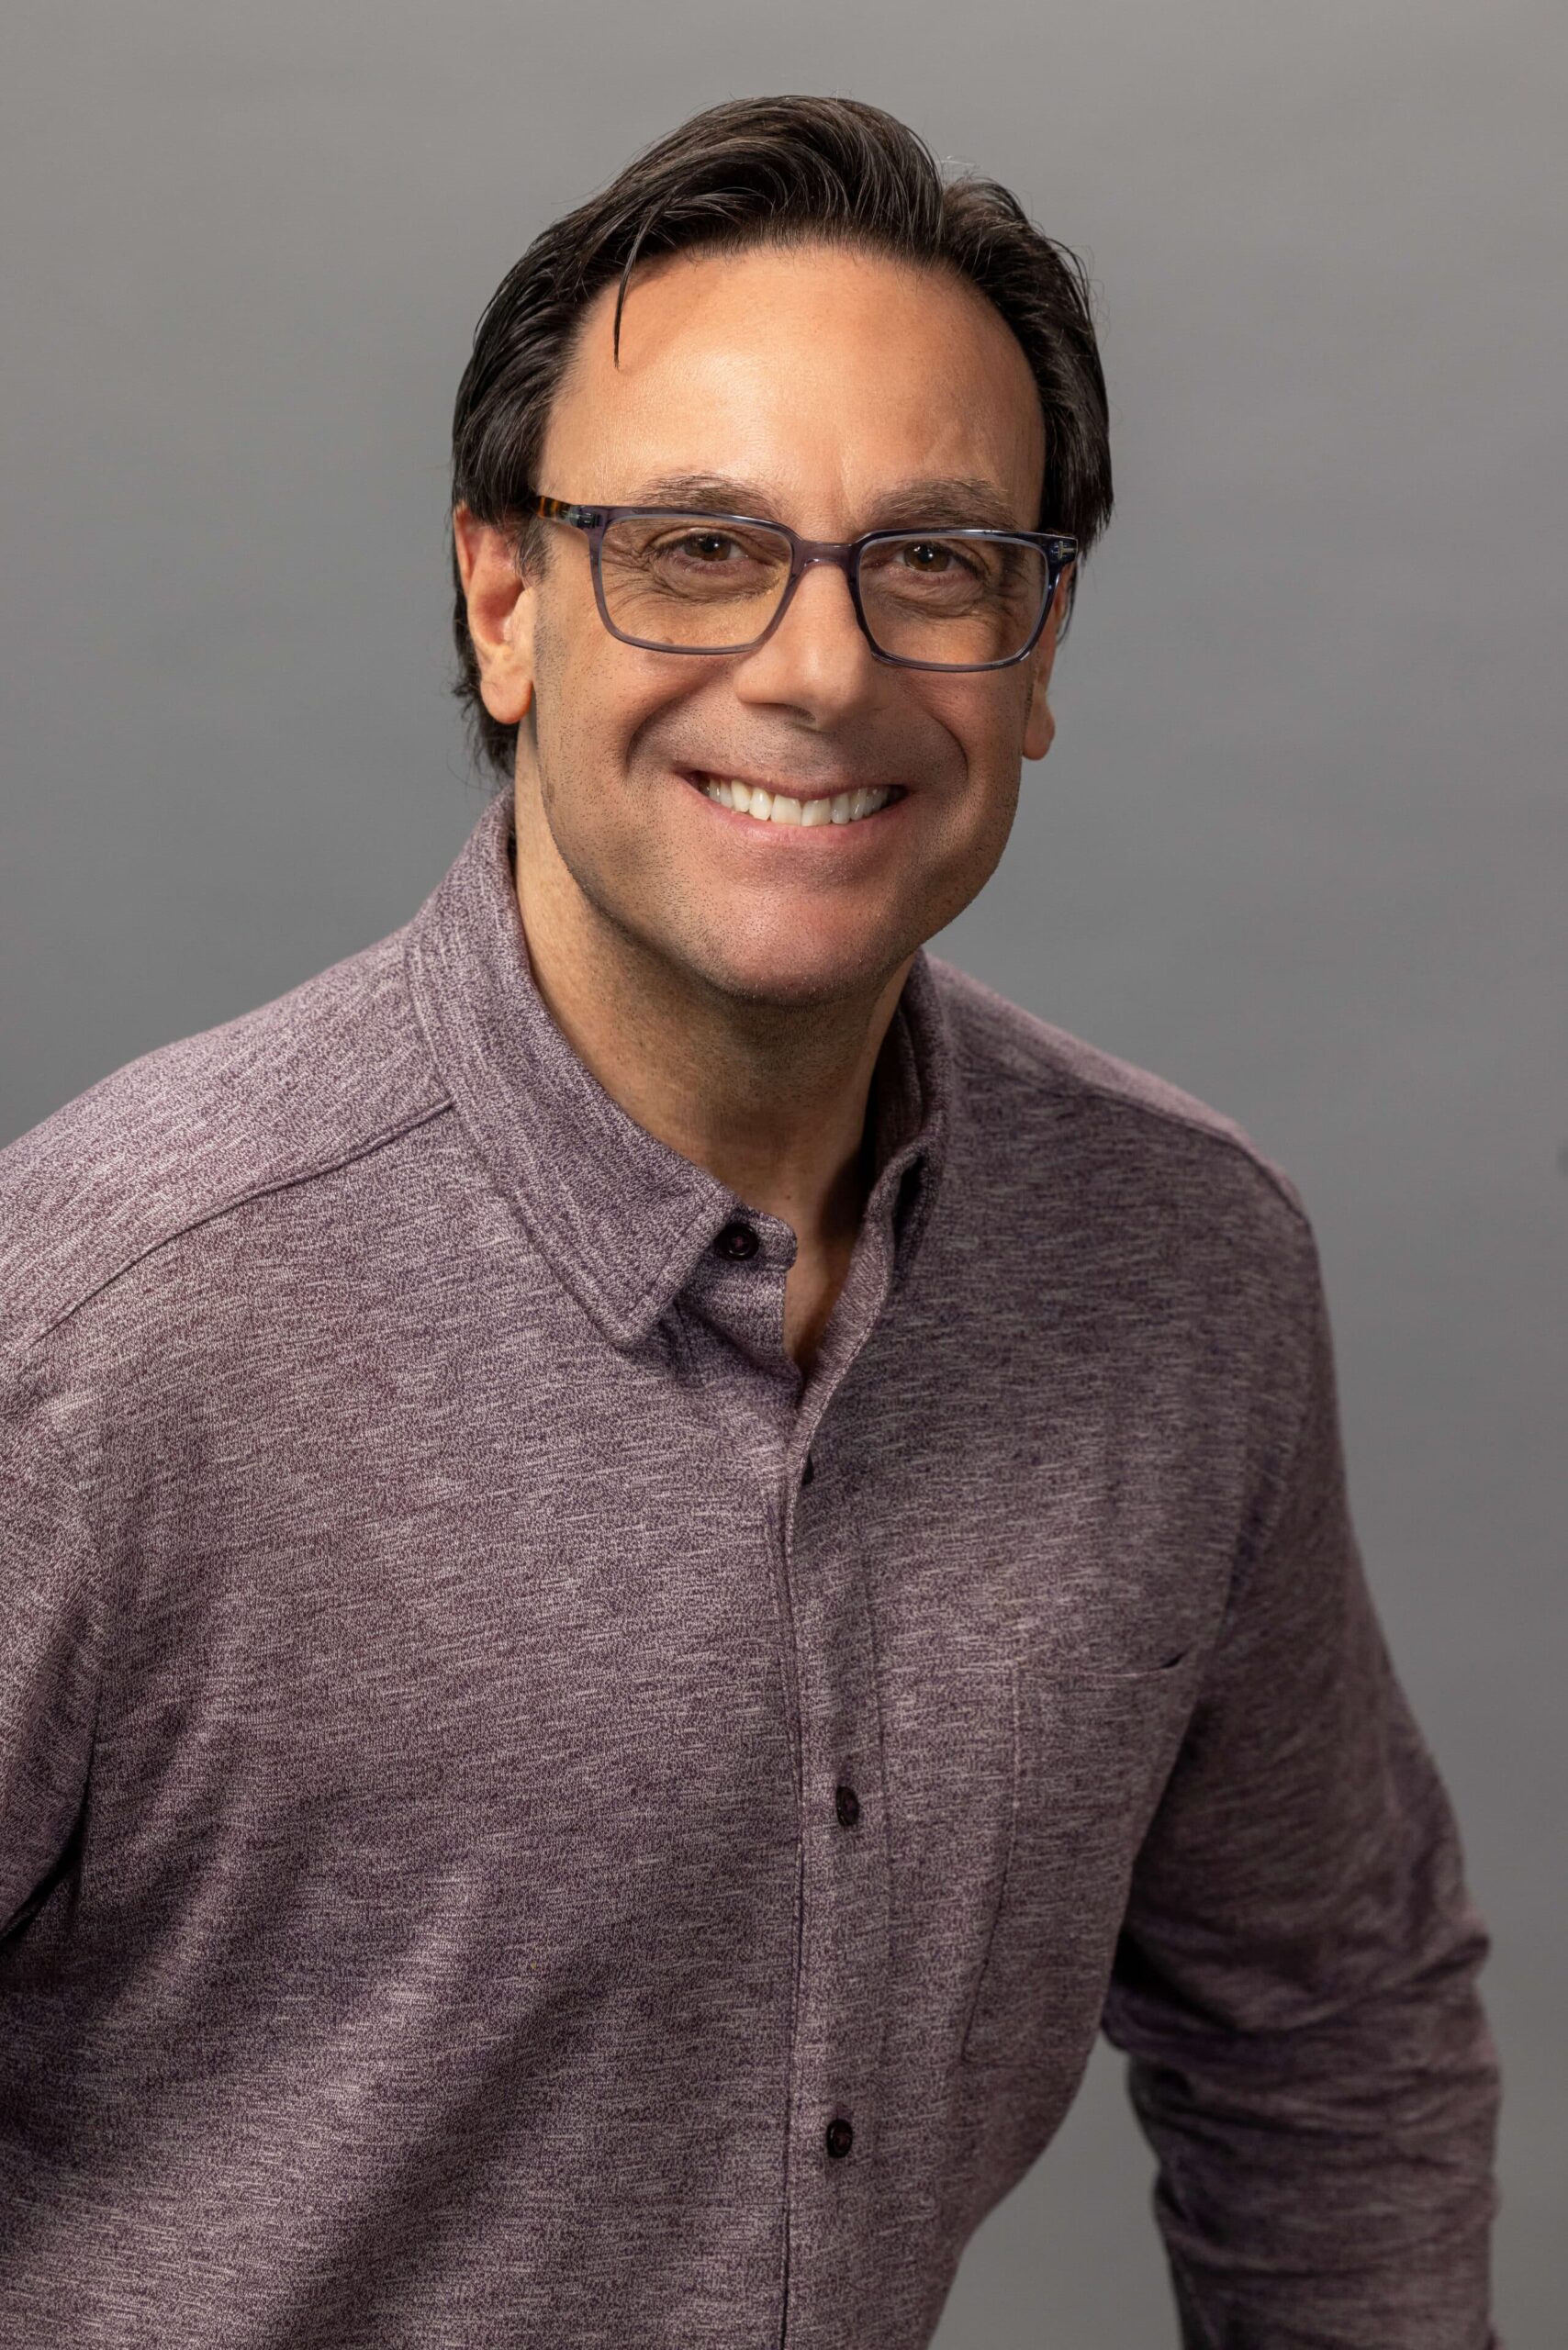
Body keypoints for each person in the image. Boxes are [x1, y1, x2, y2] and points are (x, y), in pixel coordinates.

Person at [0, 92, 1502, 2350]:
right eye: (692, 546)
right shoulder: (116, 1312)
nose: (817, 668)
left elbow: (1323, 2025)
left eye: (931, 560)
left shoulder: (1185, 1274)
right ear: (502, 600)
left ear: (1038, 643)